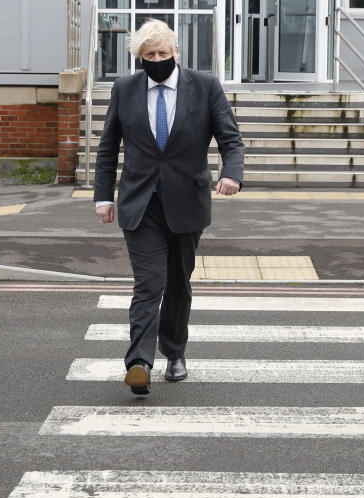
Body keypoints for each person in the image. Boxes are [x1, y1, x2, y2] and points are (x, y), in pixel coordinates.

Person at [94, 19, 245, 396]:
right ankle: (139, 363)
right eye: (149, 55)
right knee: (149, 284)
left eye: (162, 53)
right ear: (139, 59)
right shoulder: (125, 89)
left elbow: (231, 139)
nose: (157, 60)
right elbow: (109, 146)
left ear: (176, 52)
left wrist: (232, 174)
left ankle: (174, 353)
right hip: (140, 204)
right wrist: (102, 196)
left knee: (178, 284)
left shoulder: (205, 86)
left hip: (186, 203)